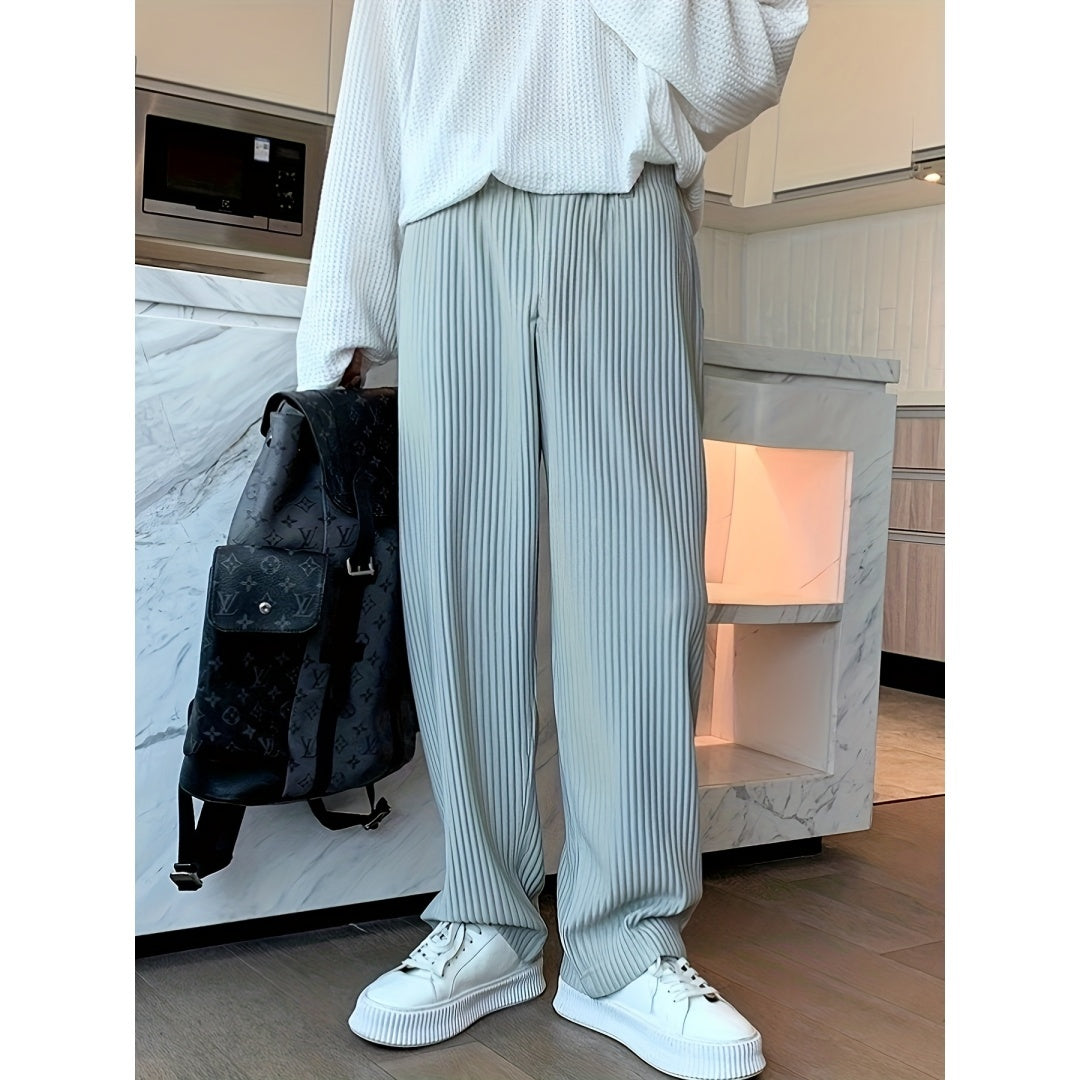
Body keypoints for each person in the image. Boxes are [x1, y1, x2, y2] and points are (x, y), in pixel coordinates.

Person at [294, 3, 809, 1078]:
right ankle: (484, 914)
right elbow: (381, 71)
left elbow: (747, 59)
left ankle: (626, 941)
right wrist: (342, 305)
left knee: (641, 587)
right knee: (455, 584)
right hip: (447, 225)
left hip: (628, 208)